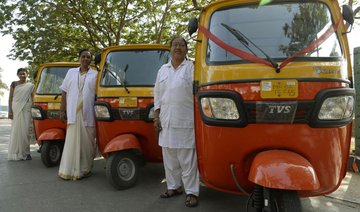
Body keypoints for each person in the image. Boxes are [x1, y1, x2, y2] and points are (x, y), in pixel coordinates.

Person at [154, 36, 200, 207]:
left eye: (181, 45)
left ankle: (192, 192)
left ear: (186, 49)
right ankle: (174, 187)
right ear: (170, 49)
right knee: (170, 158)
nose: (178, 48)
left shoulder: (192, 68)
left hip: (185, 121)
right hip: (166, 121)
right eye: (175, 45)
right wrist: (156, 117)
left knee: (187, 159)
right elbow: (157, 95)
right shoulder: (162, 70)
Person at [58, 49, 98, 180]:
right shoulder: (71, 72)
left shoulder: (95, 74)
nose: (86, 59)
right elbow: (64, 91)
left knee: (87, 143)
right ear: (79, 58)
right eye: (83, 56)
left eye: (88, 57)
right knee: (72, 142)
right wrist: (62, 110)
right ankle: (68, 170)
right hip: (73, 113)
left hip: (88, 113)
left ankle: (85, 169)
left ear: (90, 60)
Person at [8, 68, 34, 161]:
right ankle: (16, 152)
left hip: (27, 109)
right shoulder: (14, 84)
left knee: (26, 131)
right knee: (16, 130)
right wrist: (10, 111)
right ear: (18, 75)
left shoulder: (30, 86)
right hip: (16, 109)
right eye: (20, 74)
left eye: (24, 73)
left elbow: (32, 98)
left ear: (27, 74)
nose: (22, 75)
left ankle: (27, 152)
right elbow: (10, 98)